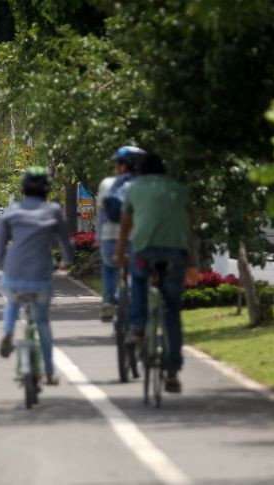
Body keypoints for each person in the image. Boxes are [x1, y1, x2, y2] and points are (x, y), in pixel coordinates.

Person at [115, 151, 194, 393]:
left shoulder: (136, 187)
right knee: (171, 310)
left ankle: (138, 326)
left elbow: (126, 221)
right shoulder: (178, 188)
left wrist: (120, 252)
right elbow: (189, 225)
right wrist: (191, 261)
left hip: (145, 251)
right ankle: (172, 370)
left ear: (139, 172)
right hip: (175, 253)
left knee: (138, 280)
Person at [0, 167, 74, 385]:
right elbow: (66, 243)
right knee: (42, 323)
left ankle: (9, 331)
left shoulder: (11, 211)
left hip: (14, 274)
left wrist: (3, 267)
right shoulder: (54, 211)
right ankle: (49, 371)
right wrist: (67, 261)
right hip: (41, 277)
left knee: (11, 302)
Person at [93, 146, 145, 321]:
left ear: (122, 166)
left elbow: (101, 216)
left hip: (109, 239)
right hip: (136, 240)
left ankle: (108, 300)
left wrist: (99, 238)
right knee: (138, 273)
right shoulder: (145, 185)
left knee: (109, 266)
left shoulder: (107, 184)